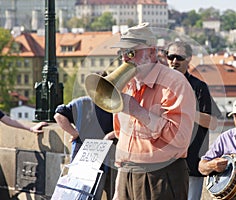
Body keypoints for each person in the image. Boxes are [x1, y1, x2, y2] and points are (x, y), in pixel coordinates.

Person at [109, 22, 196, 200]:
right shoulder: (126, 84)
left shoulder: (174, 83)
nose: (125, 59)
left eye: (131, 52)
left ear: (151, 52)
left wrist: (138, 111)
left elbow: (180, 138)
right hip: (127, 173)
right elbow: (122, 137)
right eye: (122, 53)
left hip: (162, 176)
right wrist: (119, 187)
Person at [166, 41, 222, 200]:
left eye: (179, 57)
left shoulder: (199, 86)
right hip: (164, 162)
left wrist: (185, 111)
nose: (174, 61)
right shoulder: (160, 85)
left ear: (189, 59)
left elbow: (212, 122)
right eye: (171, 56)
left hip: (191, 161)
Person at [54, 95, 116, 200]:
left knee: (75, 192)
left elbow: (58, 115)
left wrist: (74, 133)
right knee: (95, 193)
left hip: (81, 154)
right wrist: (110, 136)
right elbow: (125, 127)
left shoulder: (81, 102)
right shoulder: (114, 105)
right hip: (102, 154)